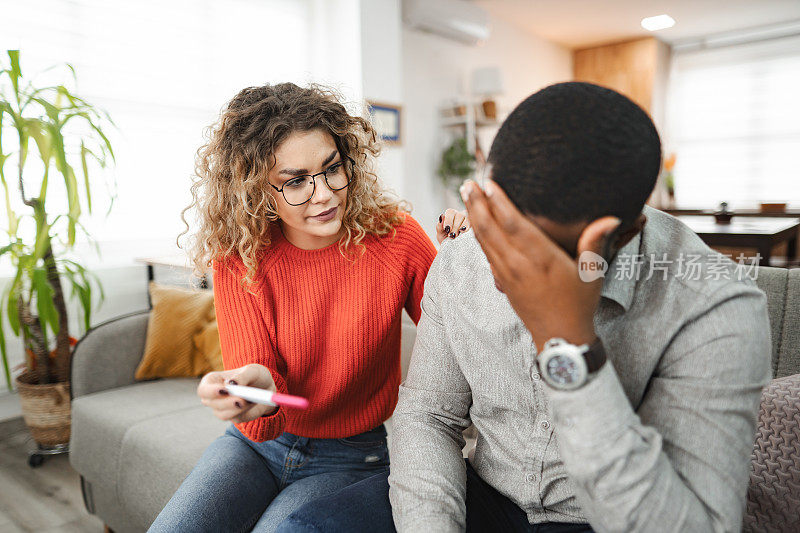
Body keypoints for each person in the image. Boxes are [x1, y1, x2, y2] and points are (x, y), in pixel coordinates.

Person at [278, 82, 771, 532]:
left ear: (619, 236)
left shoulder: (715, 307)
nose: (497, 272)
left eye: (534, 255)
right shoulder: (462, 259)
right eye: (497, 229)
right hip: (486, 492)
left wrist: (570, 347)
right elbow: (429, 414)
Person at [148, 82, 469, 532]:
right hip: (257, 448)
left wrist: (463, 261)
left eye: (331, 169)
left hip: (355, 453)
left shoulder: (396, 237)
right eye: (296, 181)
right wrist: (253, 391)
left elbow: (463, 340)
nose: (323, 194)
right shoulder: (239, 257)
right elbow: (260, 390)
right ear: (256, 190)